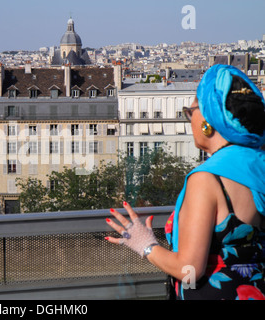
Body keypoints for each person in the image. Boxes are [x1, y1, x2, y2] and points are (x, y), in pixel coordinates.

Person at [105, 64, 265, 300]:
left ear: (208, 117)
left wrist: (145, 244)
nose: (189, 120)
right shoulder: (258, 165)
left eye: (190, 112)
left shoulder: (207, 179)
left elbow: (189, 268)